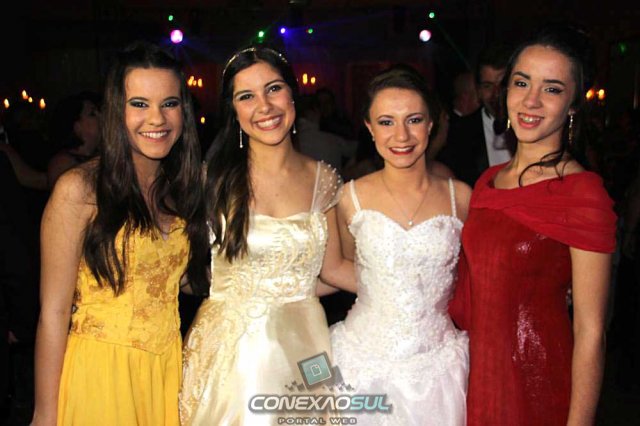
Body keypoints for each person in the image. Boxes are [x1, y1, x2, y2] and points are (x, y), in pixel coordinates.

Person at [31, 40, 208, 426]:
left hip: (166, 373)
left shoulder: (182, 190)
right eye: (139, 104)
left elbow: (176, 281)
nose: (157, 118)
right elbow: (54, 313)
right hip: (101, 374)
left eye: (169, 103)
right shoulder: (79, 189)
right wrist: (45, 414)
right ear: (116, 110)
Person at [448, 25, 618, 425]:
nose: (531, 100)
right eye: (522, 82)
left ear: (573, 104)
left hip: (539, 385)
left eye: (552, 89)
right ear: (505, 90)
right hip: (480, 377)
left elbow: (592, 332)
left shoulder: (582, 193)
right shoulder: (487, 184)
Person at [179, 45, 355, 425]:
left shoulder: (324, 180)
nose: (264, 106)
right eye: (246, 96)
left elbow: (333, 271)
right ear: (233, 110)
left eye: (273, 88)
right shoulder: (212, 180)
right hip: (231, 356)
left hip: (305, 345)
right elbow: (178, 270)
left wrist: (402, 286)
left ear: (293, 94)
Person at [329, 65, 472, 426]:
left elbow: (474, 274)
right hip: (363, 362)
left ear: (431, 124)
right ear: (369, 127)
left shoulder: (461, 197)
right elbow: (341, 265)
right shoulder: (348, 197)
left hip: (439, 366)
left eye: (414, 120)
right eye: (386, 122)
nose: (402, 135)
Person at [438, 42, 513, 186]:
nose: (496, 94)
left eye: (503, 84)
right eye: (488, 86)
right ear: (478, 91)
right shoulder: (458, 134)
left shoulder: (533, 126)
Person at [46, 91, 102, 188]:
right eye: (92, 114)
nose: (101, 116)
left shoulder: (97, 154)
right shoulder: (62, 164)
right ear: (77, 127)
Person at [296, 93, 357, 173]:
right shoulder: (299, 138)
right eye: (320, 103)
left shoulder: (342, 124)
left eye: (327, 102)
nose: (324, 106)